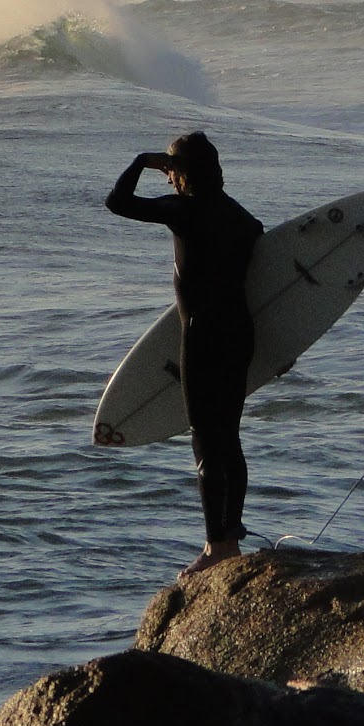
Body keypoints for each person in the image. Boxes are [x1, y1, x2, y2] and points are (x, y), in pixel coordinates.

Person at [106, 130, 263, 574]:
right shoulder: (242, 218)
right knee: (229, 437)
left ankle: (217, 548)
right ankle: (230, 536)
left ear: (181, 173)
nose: (169, 179)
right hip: (241, 334)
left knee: (205, 441)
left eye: (172, 171)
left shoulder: (186, 211)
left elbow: (118, 202)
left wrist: (141, 160)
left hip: (203, 337)